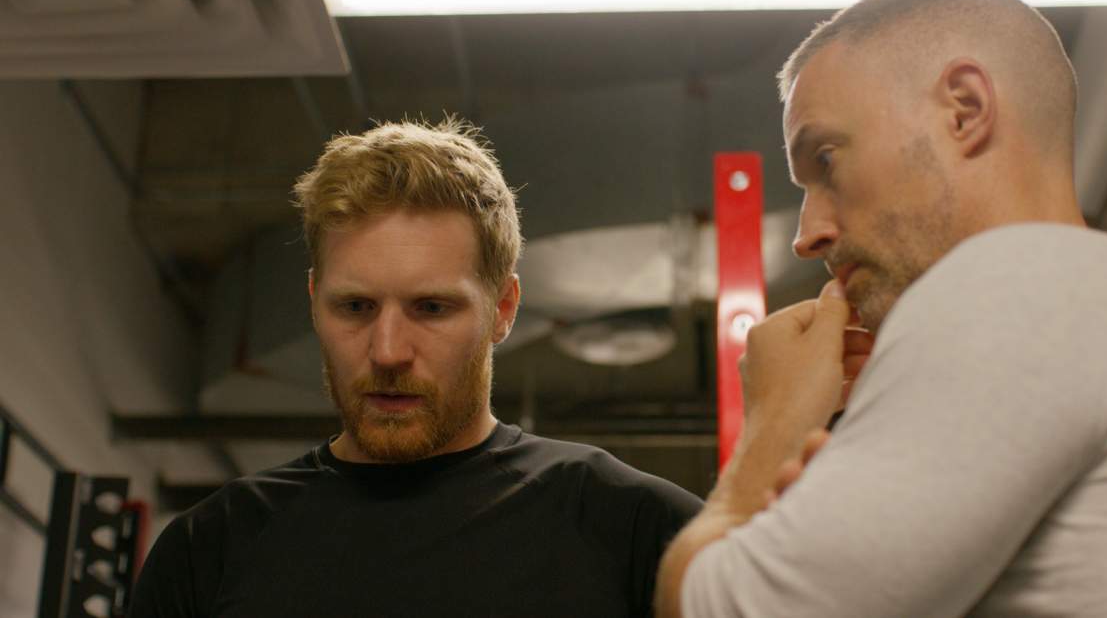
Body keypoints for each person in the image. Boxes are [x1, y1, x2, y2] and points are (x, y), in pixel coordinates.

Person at [656, 0, 1107, 616]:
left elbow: (719, 607)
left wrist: (772, 428)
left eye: (826, 159)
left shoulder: (1020, 282)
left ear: (965, 108)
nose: (806, 236)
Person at [130, 119, 702, 617]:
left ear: (503, 309)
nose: (387, 352)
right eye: (356, 307)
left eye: (431, 308)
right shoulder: (209, 549)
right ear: (313, 303)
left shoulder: (637, 532)